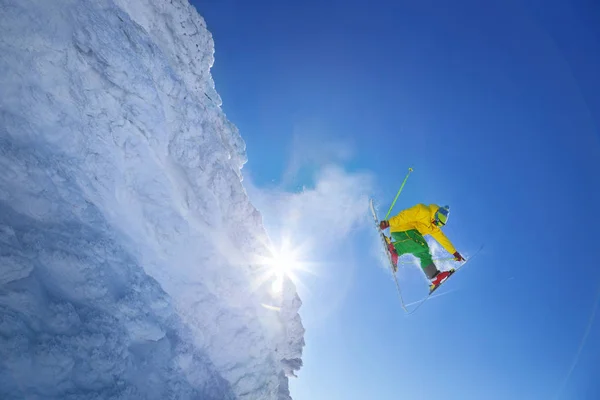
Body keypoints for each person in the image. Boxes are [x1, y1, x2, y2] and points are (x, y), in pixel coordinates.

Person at [379, 203, 465, 287]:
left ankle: (434, 276)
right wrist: (389, 223)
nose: (436, 224)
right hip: (401, 228)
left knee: (424, 252)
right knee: (422, 245)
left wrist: (454, 253)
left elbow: (443, 239)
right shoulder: (423, 211)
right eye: (437, 221)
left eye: (439, 225)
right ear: (436, 214)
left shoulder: (433, 227)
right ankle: (395, 248)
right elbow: (405, 215)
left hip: (409, 234)